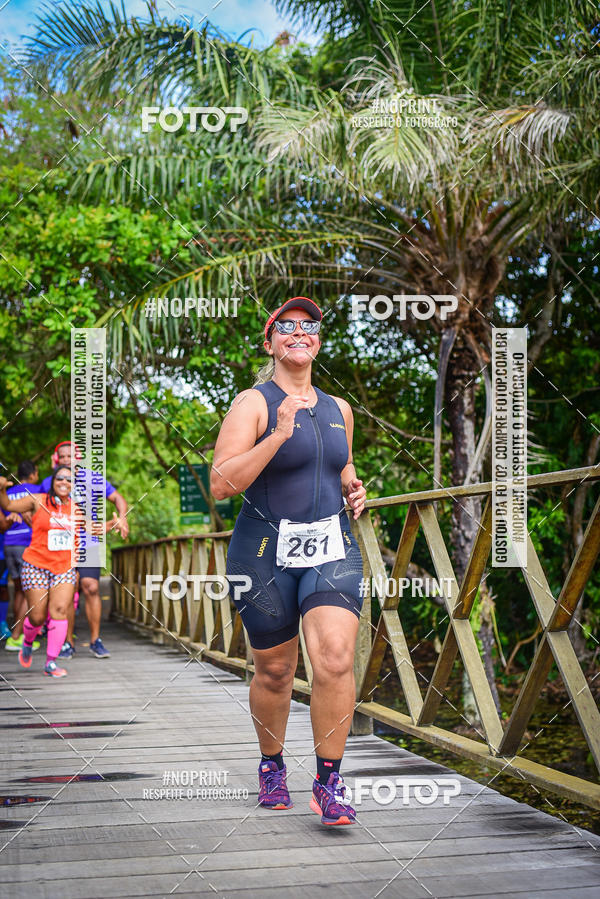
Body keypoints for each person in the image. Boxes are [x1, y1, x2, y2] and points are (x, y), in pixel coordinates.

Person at [210, 297, 366, 826]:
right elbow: (221, 484)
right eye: (287, 326)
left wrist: (353, 487)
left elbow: (339, 467)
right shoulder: (253, 403)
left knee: (336, 658)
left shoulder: (340, 409)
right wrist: (278, 433)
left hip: (330, 546)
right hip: (262, 553)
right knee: (276, 670)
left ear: (318, 339)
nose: (300, 332)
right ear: (270, 342)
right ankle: (272, 765)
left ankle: (329, 782)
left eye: (309, 325)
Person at [0, 468, 109, 677]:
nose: (64, 482)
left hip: (64, 567)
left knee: (59, 610)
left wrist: (113, 524)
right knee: (37, 617)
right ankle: (27, 642)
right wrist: (1, 489)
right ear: (53, 481)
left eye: (69, 479)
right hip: (36, 565)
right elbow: (8, 505)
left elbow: (93, 528)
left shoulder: (75, 509)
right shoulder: (37, 500)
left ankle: (51, 662)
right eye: (60, 478)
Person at [41, 441, 129, 658]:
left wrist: (122, 518)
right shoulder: (49, 483)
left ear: (78, 458)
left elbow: (117, 498)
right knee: (68, 592)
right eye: (62, 457)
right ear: (56, 460)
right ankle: (67, 643)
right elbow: (39, 509)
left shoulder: (93, 478)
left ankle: (95, 641)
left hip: (88, 542)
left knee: (91, 587)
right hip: (62, 545)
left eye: (70, 456)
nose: (66, 460)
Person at [3, 460, 42, 652]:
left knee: (20, 590)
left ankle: (15, 636)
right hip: (27, 544)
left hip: (9, 544)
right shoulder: (38, 491)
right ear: (33, 474)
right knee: (31, 591)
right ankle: (17, 636)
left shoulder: (8, 493)